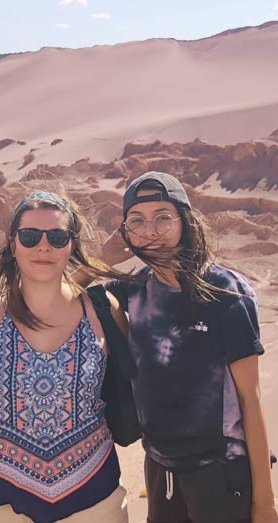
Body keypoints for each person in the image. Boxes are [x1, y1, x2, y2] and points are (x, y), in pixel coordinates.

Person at [97, 171, 278, 523]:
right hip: (160, 467)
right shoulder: (132, 292)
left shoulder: (225, 293)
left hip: (221, 473)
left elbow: (250, 400)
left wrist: (265, 503)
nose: (150, 231)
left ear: (185, 220)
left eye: (163, 217)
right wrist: (101, 260)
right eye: (137, 221)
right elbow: (62, 299)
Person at [0, 191, 130, 522]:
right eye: (30, 236)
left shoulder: (103, 311)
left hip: (94, 497)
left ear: (71, 245)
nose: (44, 247)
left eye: (57, 237)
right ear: (13, 245)